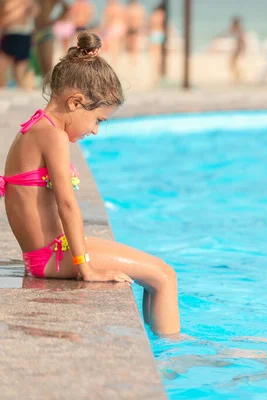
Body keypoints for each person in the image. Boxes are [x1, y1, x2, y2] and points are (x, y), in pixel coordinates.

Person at [0, 31, 180, 336]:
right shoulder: (52, 135)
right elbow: (66, 204)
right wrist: (85, 268)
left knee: (157, 270)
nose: (95, 130)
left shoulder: (37, 126)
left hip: (52, 251)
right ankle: (173, 351)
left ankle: (160, 342)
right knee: (164, 275)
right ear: (75, 102)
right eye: (97, 119)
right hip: (51, 258)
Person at [0, 0, 39, 89]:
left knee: (18, 62)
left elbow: (32, 12)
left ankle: (20, 85)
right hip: (18, 32)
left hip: (18, 32)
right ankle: (20, 85)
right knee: (18, 62)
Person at [34, 0, 70, 77]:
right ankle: (44, 84)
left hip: (45, 31)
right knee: (39, 64)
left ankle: (49, 85)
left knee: (47, 64)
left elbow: (66, 8)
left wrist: (54, 20)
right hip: (36, 31)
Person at [149, 1, 166, 81]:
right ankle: (158, 73)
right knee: (158, 55)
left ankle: (155, 73)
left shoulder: (154, 15)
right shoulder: (163, 14)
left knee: (155, 55)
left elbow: (150, 24)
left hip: (154, 34)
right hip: (159, 34)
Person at [229, 16, 245, 83]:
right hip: (238, 48)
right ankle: (238, 76)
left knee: (232, 63)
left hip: (238, 48)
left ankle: (238, 76)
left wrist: (243, 48)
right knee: (233, 63)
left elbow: (242, 40)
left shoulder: (239, 29)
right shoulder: (238, 29)